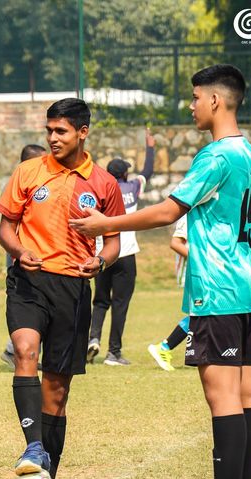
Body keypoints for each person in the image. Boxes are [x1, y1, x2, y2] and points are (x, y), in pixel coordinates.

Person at [70, 64, 251, 479]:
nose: (192, 105)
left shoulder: (216, 156)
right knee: (249, 393)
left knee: (223, 396)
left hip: (218, 290)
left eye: (196, 97)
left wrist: (106, 224)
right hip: (249, 284)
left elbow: (167, 211)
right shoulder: (249, 153)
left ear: (216, 101)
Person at [0, 98, 124, 479]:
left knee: (57, 390)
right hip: (28, 282)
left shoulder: (104, 183)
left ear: (83, 132)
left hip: (72, 289)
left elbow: (114, 241)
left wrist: (100, 261)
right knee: (25, 352)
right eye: (49, 130)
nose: (52, 138)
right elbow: (6, 229)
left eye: (61, 131)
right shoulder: (28, 172)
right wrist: (18, 250)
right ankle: (33, 445)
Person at [87, 128, 155, 366]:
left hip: (103, 253)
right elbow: (148, 171)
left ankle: (92, 338)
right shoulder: (133, 187)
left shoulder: (101, 190)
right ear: (125, 173)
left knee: (100, 300)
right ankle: (113, 352)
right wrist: (150, 146)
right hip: (125, 255)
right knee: (120, 304)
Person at [0, 144, 46, 369]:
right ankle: (15, 349)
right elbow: (7, 227)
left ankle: (19, 349)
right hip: (20, 254)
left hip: (32, 254)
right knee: (27, 303)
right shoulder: (19, 184)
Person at [148, 214, 189, 371]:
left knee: (206, 314)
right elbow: (175, 243)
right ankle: (164, 347)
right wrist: (201, 260)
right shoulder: (189, 214)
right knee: (201, 314)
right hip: (192, 273)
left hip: (204, 273)